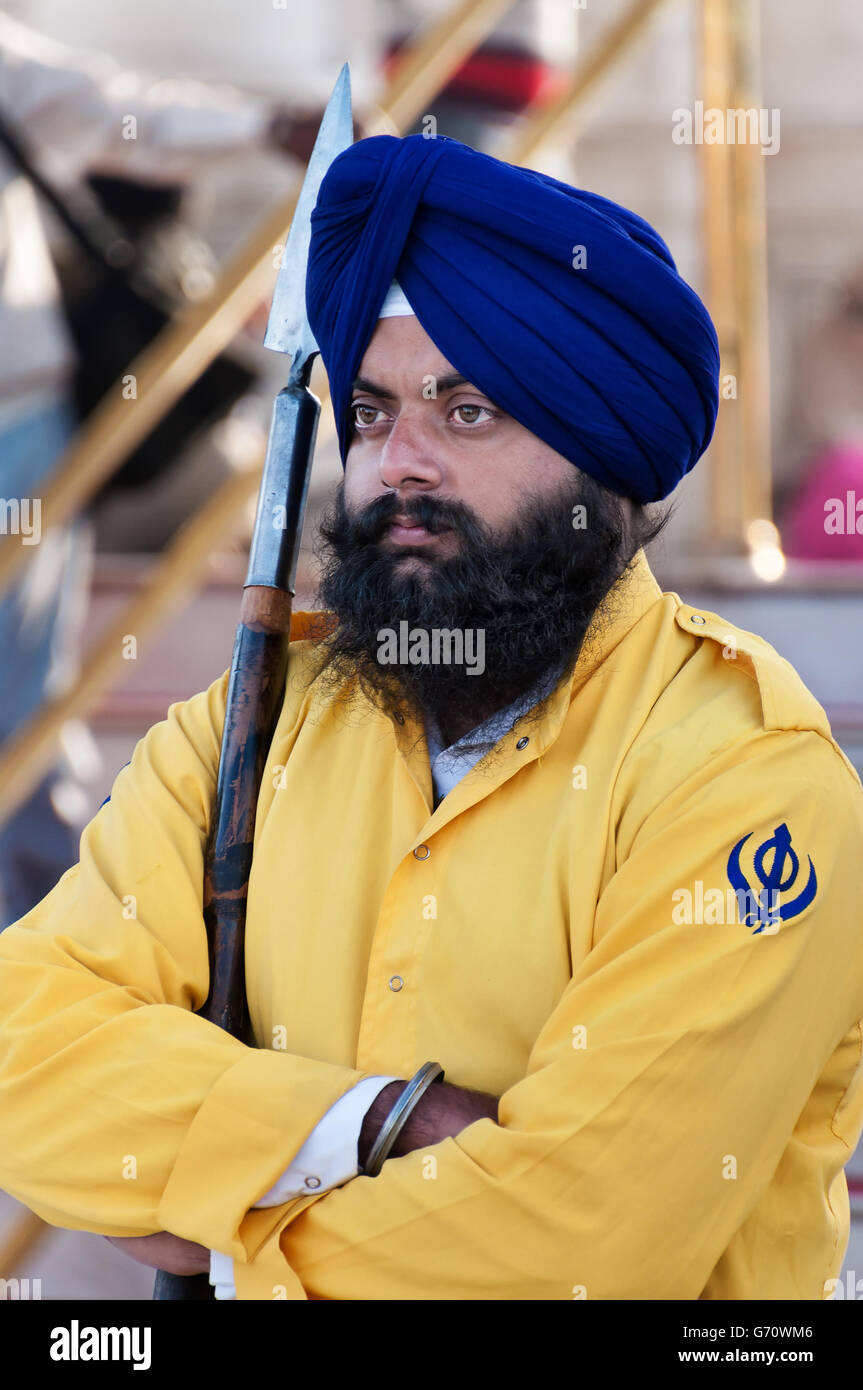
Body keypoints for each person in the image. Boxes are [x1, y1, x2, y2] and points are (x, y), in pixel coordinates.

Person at [1, 132, 862, 1302]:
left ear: (597, 455)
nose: (397, 464)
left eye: (464, 414)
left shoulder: (742, 779)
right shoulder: (250, 728)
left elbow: (575, 1246)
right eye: (366, 412)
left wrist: (215, 1233)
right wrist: (365, 1123)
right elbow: (24, 1047)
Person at [0, 11, 325, 928]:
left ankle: (37, 946)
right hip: (19, 408)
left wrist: (262, 128)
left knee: (18, 705)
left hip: (12, 418)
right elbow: (109, 111)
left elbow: (111, 112)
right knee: (20, 707)